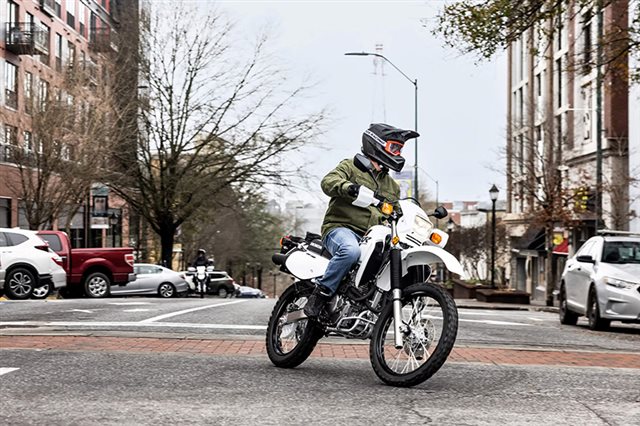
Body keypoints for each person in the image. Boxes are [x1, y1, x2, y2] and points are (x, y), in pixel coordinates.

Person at [304, 123, 419, 318]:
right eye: (394, 147)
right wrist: (347, 187)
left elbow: (396, 211)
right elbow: (328, 182)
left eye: (400, 149)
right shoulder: (351, 166)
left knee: (397, 258)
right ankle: (320, 295)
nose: (398, 153)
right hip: (341, 229)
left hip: (373, 237)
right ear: (376, 144)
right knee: (350, 251)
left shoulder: (391, 185)